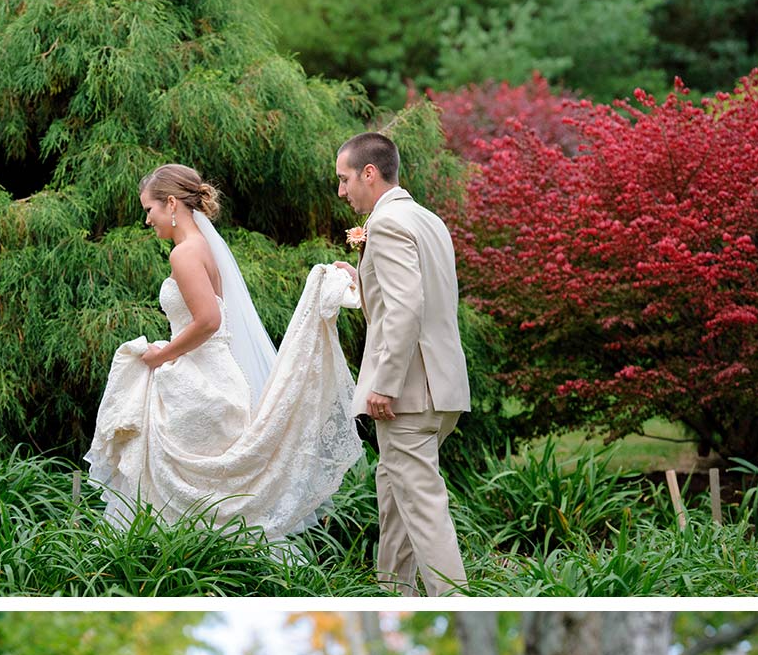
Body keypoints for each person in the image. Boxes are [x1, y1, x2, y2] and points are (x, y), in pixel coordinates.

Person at [83, 164, 363, 539]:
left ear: (170, 204)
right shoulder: (202, 248)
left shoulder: (184, 254)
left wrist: (160, 356)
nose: (147, 221)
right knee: (211, 504)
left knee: (181, 506)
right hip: (217, 377)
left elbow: (209, 320)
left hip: (199, 383)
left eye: (149, 210)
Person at [335, 132, 471, 597]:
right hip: (442, 388)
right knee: (394, 494)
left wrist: (384, 383)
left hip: (409, 394)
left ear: (369, 173)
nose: (341, 190)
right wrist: (361, 279)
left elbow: (406, 309)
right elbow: (415, 295)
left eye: (344, 178)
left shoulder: (388, 224)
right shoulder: (428, 219)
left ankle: (454, 600)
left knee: (423, 507)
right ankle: (395, 592)